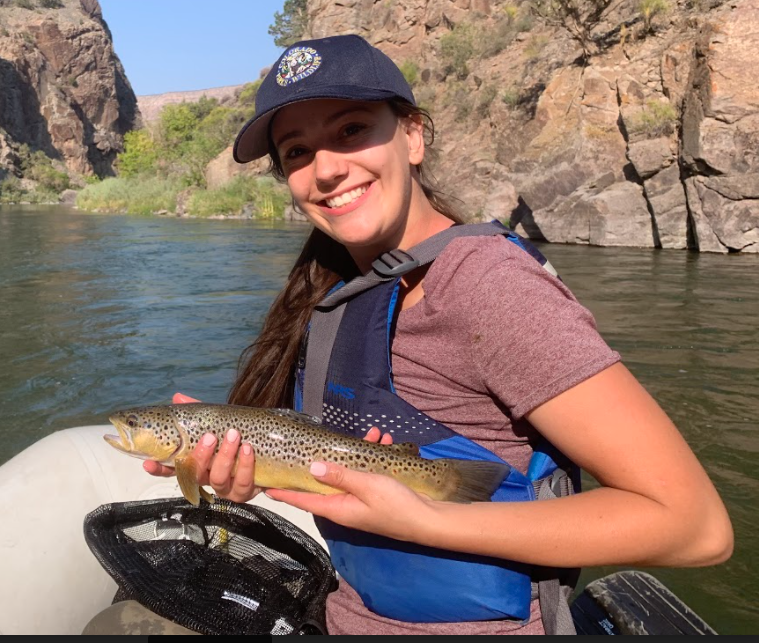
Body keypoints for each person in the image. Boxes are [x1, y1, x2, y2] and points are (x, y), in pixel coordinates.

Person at [140, 33, 733, 635]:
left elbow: (695, 527)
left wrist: (423, 520)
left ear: (413, 135)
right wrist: (235, 469)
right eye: (296, 152)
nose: (325, 170)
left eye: (350, 131)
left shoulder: (490, 289)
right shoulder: (334, 288)